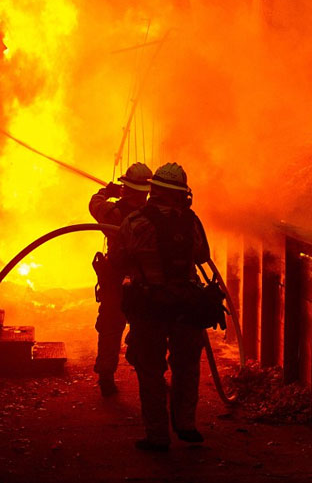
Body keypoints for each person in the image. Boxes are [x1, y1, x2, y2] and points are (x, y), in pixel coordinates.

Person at [114, 162, 210, 451]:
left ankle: (157, 435)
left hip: (149, 307)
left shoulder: (135, 222)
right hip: (186, 306)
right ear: (182, 194)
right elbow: (202, 256)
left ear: (154, 190)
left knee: (150, 371)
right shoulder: (192, 222)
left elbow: (120, 257)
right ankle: (187, 425)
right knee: (187, 367)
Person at [89, 162, 152, 397]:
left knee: (110, 328)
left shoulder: (113, 214)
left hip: (116, 281)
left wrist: (106, 191)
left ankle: (106, 376)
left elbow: (94, 204)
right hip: (145, 283)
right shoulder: (152, 216)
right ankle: (150, 376)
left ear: (125, 188)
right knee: (146, 329)